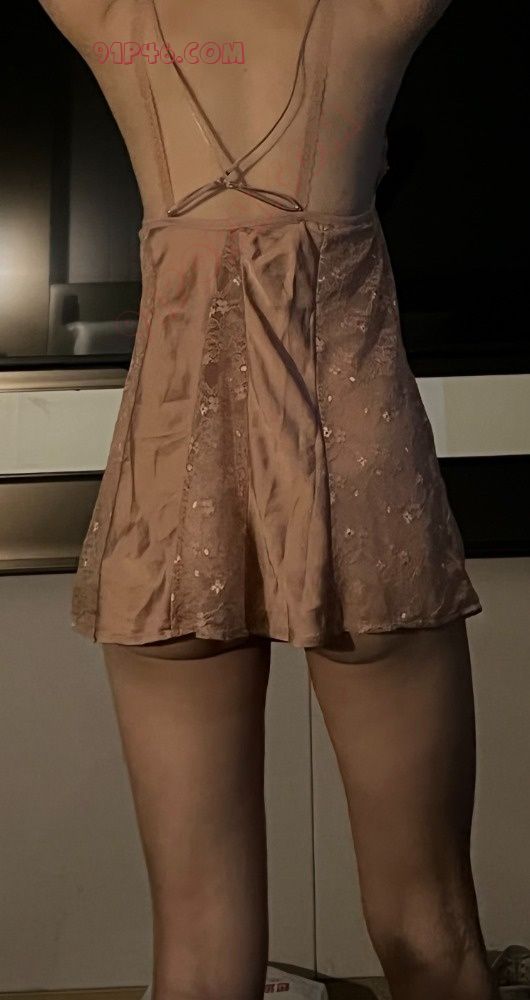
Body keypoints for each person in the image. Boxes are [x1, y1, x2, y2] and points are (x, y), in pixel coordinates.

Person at [38, 1, 501, 997]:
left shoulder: (115, 13)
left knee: (197, 954)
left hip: (170, 498)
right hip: (364, 496)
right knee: (431, 929)